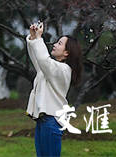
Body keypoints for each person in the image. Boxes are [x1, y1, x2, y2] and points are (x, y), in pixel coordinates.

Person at [26, 22, 83, 157]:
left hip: (51, 122)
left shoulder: (63, 70)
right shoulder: (51, 69)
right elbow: (37, 59)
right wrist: (33, 38)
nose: (55, 45)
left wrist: (39, 39)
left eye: (59, 43)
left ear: (66, 52)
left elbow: (43, 60)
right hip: (43, 121)